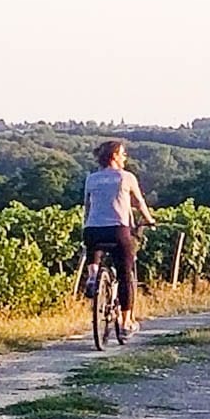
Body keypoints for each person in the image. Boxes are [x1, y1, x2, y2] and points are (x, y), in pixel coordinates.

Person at [83, 140, 155, 337]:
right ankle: (125, 324)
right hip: (118, 230)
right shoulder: (126, 177)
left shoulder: (91, 179)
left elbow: (87, 207)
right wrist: (150, 220)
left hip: (92, 229)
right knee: (125, 275)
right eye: (123, 154)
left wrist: (86, 225)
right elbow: (139, 203)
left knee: (93, 248)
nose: (125, 157)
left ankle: (92, 275)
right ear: (114, 155)